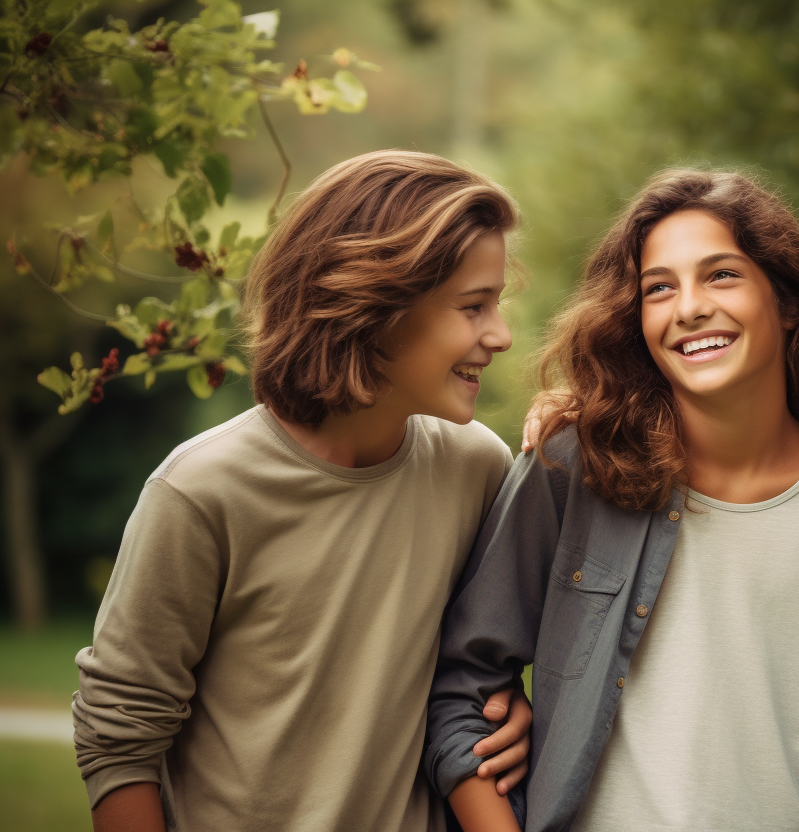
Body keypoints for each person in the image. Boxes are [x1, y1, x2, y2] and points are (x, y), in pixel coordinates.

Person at [426, 169, 799, 832]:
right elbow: (461, 688)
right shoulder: (573, 467)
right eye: (659, 288)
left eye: (721, 275)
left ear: (788, 302)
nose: (688, 307)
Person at [73, 150, 534, 832]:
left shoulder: (477, 469)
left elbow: (472, 669)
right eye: (474, 307)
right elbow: (118, 741)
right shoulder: (202, 491)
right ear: (376, 306)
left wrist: (506, 704)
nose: (501, 335)